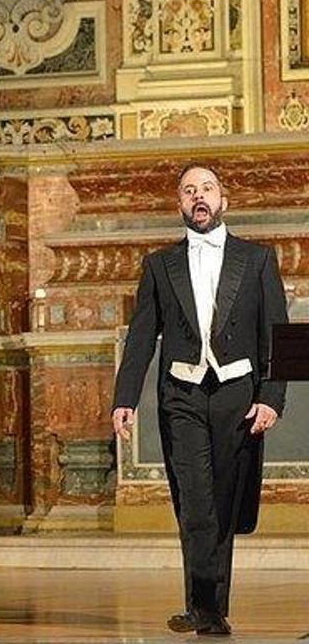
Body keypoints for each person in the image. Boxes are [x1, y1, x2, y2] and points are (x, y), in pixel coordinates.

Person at [112, 165, 287, 637]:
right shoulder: (159, 264)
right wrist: (124, 399)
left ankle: (208, 605)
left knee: (224, 504)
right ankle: (205, 609)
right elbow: (142, 337)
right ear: (180, 204)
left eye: (206, 188)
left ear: (223, 200)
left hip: (238, 395)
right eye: (189, 191)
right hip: (181, 395)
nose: (198, 197)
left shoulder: (258, 259)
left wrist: (272, 398)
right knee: (194, 503)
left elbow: (280, 335)